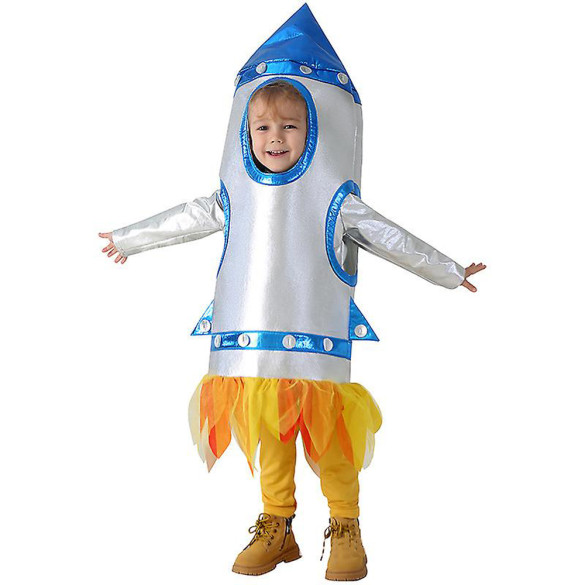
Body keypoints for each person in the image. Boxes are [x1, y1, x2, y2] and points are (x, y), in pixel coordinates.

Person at [99, 4, 485, 582]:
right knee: (270, 430)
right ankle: (277, 523)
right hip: (249, 334)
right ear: (244, 134)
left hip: (313, 333)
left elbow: (390, 237)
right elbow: (188, 217)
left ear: (314, 132)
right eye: (262, 128)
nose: (275, 138)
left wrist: (450, 271)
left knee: (329, 436)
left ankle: (346, 524)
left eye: (289, 126)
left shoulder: (336, 200)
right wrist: (128, 239)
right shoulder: (233, 195)